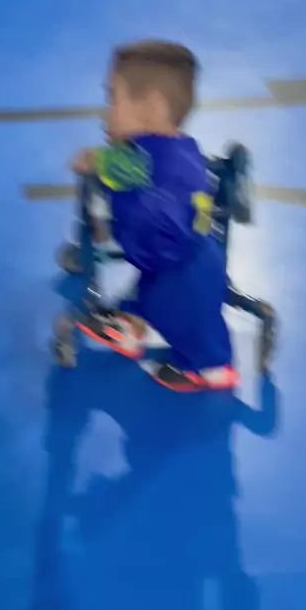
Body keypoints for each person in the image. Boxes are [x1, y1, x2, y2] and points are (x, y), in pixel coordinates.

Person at [69, 40, 238, 392]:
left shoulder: (141, 161)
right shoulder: (182, 149)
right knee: (153, 297)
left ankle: (210, 369)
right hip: (190, 254)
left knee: (190, 321)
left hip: (182, 267)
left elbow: (105, 163)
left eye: (113, 99)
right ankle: (132, 327)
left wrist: (89, 160)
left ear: (151, 107)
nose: (106, 112)